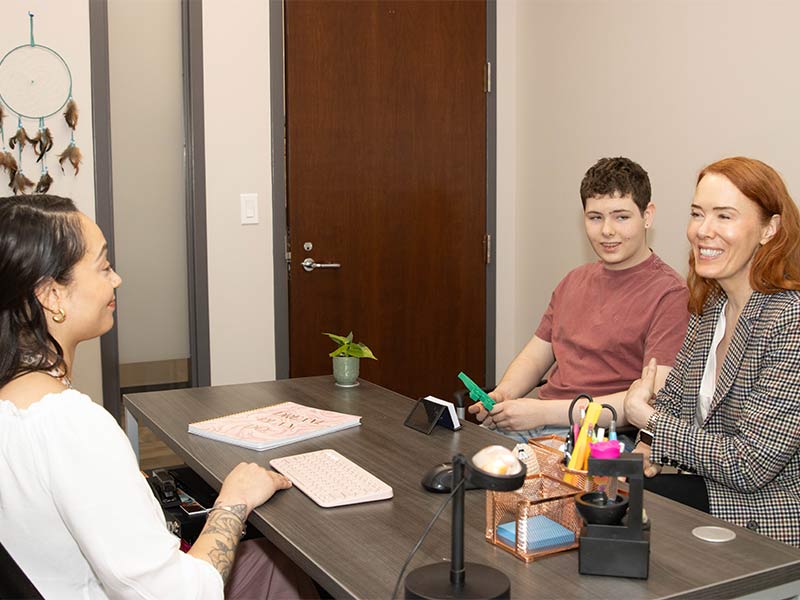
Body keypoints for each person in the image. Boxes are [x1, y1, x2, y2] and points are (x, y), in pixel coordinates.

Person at [0, 195, 319, 598]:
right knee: (283, 568)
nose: (116, 279)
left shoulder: (14, 401)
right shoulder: (71, 425)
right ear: (52, 296)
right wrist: (234, 501)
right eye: (103, 266)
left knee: (275, 563)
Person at [624, 157, 800, 547]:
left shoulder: (790, 320)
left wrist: (647, 419)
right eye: (697, 213)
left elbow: (750, 464)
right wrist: (642, 451)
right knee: (601, 497)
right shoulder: (710, 308)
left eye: (724, 216)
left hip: (771, 509)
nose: (703, 231)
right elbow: (670, 403)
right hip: (712, 489)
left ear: (769, 229)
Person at [470, 157, 689, 441]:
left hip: (600, 437)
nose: (607, 230)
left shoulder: (670, 294)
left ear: (647, 216)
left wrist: (543, 412)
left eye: (621, 217)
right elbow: (535, 357)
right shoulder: (573, 280)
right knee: (451, 464)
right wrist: (503, 394)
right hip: (537, 423)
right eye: (595, 217)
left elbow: (648, 403)